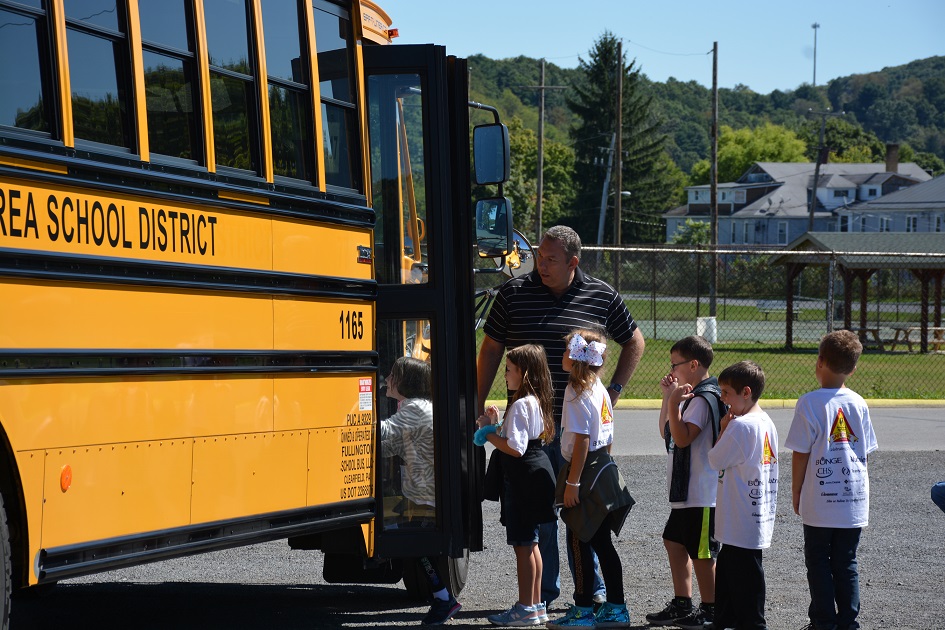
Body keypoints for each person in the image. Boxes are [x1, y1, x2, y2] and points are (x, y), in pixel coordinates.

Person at [477, 225, 645, 607]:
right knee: (540, 517)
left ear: (573, 261)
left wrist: (614, 391)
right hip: (532, 429)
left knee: (581, 516)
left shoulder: (601, 294)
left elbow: (634, 341)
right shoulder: (513, 294)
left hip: (575, 431)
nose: (541, 265)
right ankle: (544, 595)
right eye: (539, 256)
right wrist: (476, 402)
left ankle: (593, 593)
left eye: (551, 259)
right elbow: (490, 350)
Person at [786, 330, 878, 630]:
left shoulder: (809, 403)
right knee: (846, 562)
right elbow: (863, 452)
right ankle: (849, 622)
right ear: (853, 368)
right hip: (853, 500)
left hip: (820, 501)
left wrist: (796, 491)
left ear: (819, 361)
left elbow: (800, 454)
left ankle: (823, 622)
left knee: (819, 562)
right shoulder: (859, 403)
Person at [547, 329, 635, 629]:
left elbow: (582, 440)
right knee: (601, 542)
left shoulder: (575, 390)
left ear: (575, 358)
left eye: (565, 351)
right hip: (601, 467)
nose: (561, 356)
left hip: (583, 471)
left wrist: (573, 484)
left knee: (578, 540)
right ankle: (615, 607)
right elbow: (608, 433)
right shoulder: (598, 386)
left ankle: (584, 610)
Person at [474, 344, 557, 627]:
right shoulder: (533, 400)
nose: (505, 375)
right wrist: (496, 425)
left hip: (523, 479)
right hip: (534, 474)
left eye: (509, 370)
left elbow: (516, 448)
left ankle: (525, 607)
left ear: (524, 373)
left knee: (523, 545)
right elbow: (518, 439)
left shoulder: (521, 404)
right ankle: (536, 606)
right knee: (531, 544)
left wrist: (487, 433)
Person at [646, 335, 724, 629]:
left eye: (675, 364)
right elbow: (666, 433)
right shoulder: (690, 397)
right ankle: (683, 603)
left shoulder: (704, 399)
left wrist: (676, 402)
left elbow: (681, 438)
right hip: (687, 492)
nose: (671, 370)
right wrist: (669, 398)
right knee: (674, 541)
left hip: (702, 493)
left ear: (693, 364)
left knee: (702, 553)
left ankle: (712, 608)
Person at [380, 357, 460, 626]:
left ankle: (443, 598)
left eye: (393, 374)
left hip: (424, 494)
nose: (388, 378)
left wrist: (353, 420)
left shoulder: (414, 408)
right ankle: (442, 596)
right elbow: (395, 445)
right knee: (420, 547)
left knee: (417, 545)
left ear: (405, 381)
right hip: (427, 491)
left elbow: (384, 435)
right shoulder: (419, 406)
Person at [707, 361, 779, 630]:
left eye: (726, 393)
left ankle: (751, 624)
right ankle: (725, 620)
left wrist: (724, 428)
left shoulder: (742, 426)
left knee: (745, 580)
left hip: (739, 517)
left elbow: (714, 459)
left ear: (745, 392)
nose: (723, 399)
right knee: (729, 573)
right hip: (752, 513)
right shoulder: (765, 421)